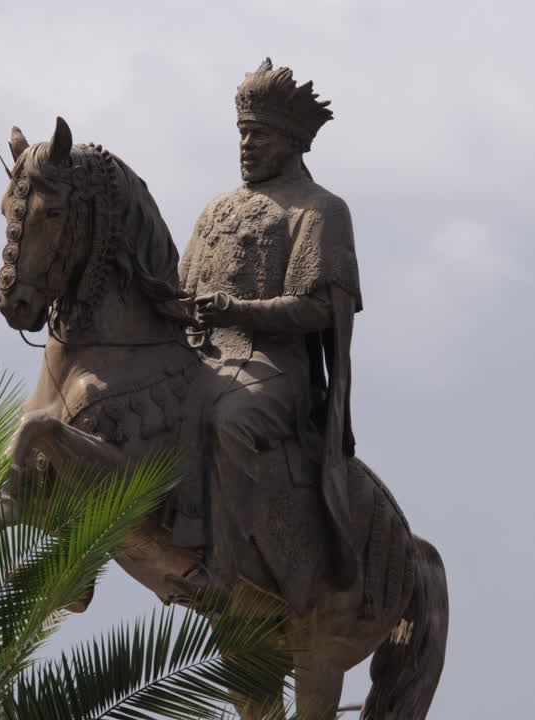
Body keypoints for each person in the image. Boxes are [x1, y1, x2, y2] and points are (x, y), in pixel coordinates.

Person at [173, 58, 363, 615]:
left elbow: (320, 307)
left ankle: (222, 571)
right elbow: (181, 287)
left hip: (273, 371)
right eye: (241, 133)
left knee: (227, 422)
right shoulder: (217, 208)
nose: (246, 144)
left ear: (290, 140)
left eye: (258, 134)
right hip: (202, 359)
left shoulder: (321, 209)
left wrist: (240, 310)